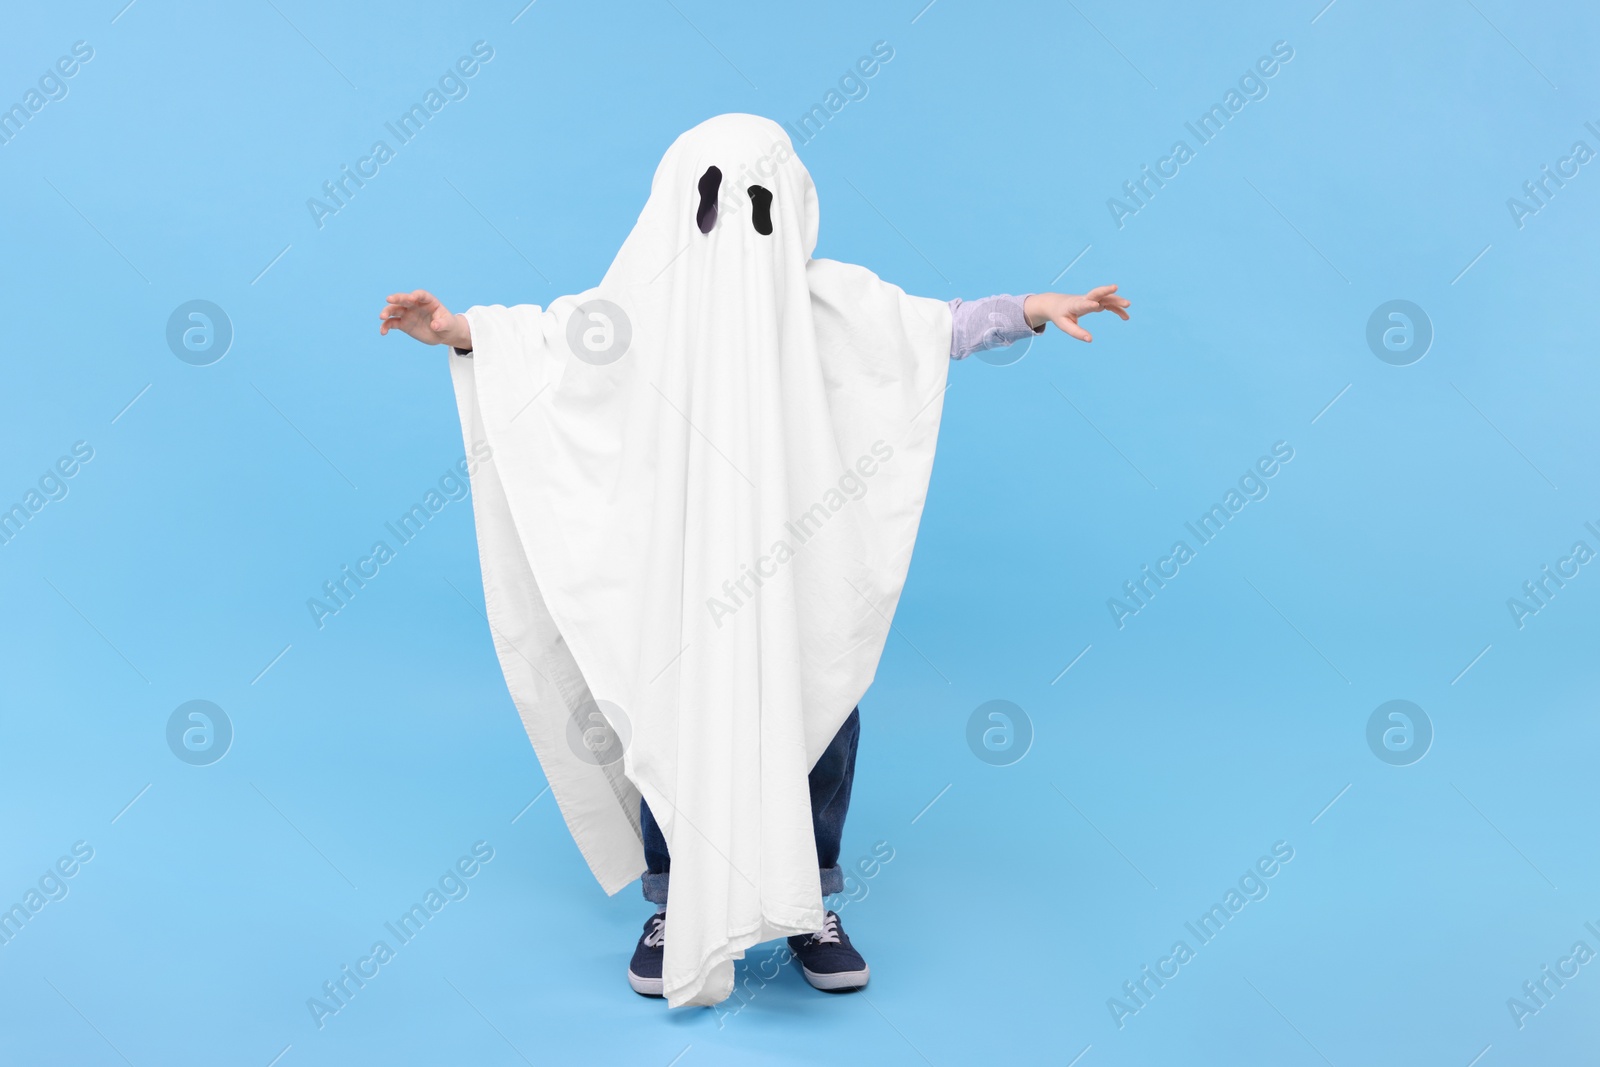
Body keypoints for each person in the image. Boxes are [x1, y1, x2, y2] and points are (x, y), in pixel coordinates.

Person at [378, 113, 1129, 1007]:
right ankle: (677, 897)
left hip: (793, 572)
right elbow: (544, 356)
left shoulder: (824, 303)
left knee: (817, 714)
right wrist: (462, 331)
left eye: (759, 203)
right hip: (683, 575)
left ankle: (808, 895)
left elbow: (930, 331)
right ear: (673, 207)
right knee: (669, 715)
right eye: (710, 202)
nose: (734, 225)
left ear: (794, 207)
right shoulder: (634, 310)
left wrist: (1031, 313)